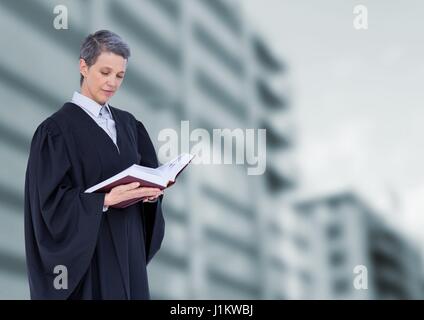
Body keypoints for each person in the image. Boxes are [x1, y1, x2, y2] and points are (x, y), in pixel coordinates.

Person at [24, 30, 165, 299]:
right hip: (90, 258)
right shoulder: (55, 131)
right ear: (83, 66)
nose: (112, 82)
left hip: (129, 251)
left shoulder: (129, 125)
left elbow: (148, 174)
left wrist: (151, 196)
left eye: (120, 76)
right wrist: (103, 200)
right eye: (105, 72)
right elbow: (48, 204)